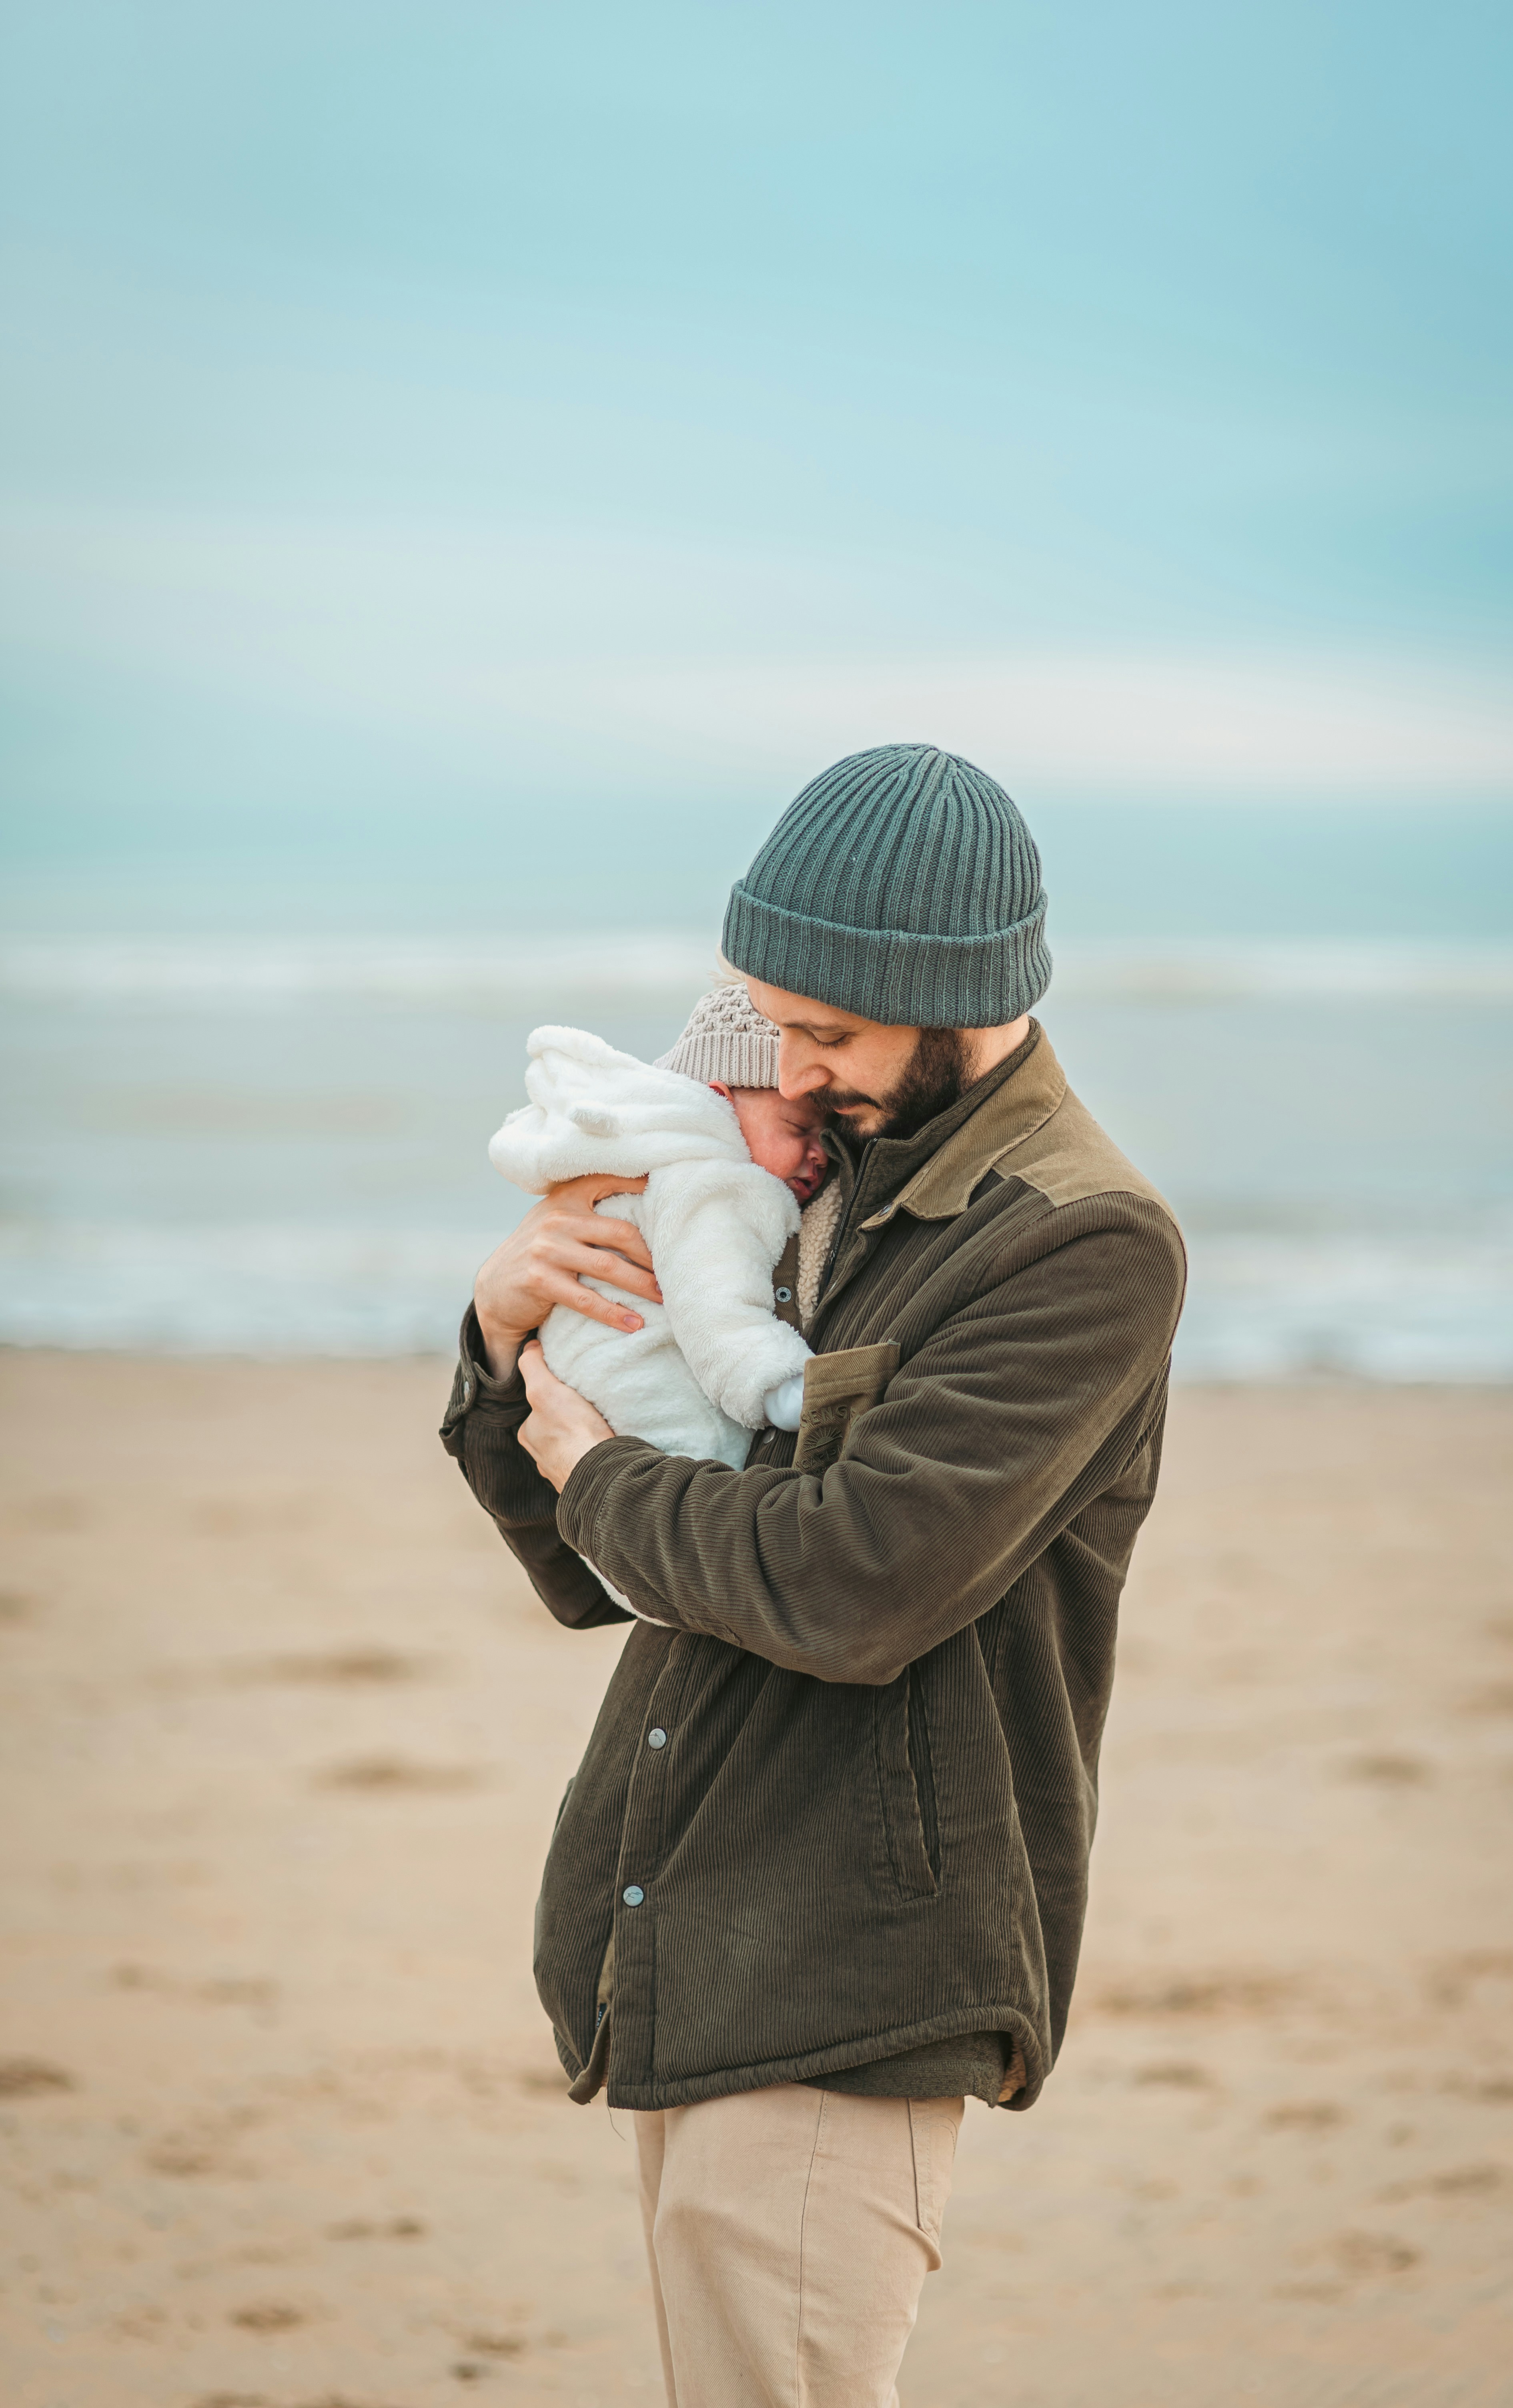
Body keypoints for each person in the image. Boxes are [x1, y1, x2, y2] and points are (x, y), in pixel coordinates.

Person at [441, 742, 1186, 2407]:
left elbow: (850, 1582)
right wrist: (511, 1343)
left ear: (959, 1005)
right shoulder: (801, 1162)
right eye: (768, 1019)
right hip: (687, 1913)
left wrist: (600, 1470)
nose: (786, 1065)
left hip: (858, 1962)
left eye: (832, 1034)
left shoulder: (1072, 1242)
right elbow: (603, 1577)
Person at [485, 991, 834, 1471]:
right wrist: (781, 1390)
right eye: (799, 1128)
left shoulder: (639, 1166)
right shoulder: (707, 1183)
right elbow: (717, 1310)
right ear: (720, 1101)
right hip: (660, 1416)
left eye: (828, 1136)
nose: (822, 1154)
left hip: (585, 1408)